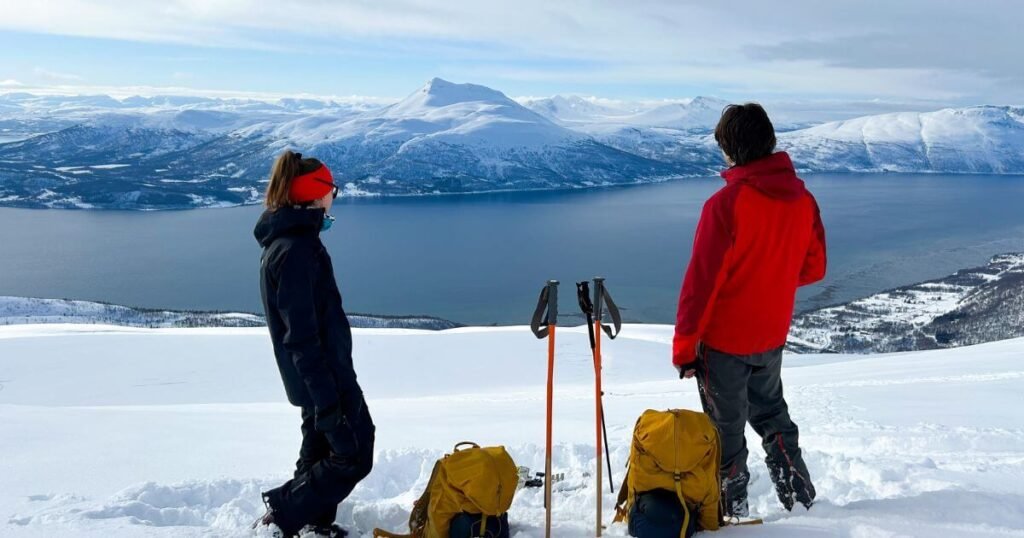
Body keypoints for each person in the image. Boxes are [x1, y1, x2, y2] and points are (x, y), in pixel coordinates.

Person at [672, 103, 826, 518]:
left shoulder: (725, 205)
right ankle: (800, 499)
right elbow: (813, 267)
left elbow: (699, 288)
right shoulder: (802, 199)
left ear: (730, 149)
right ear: (770, 141)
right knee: (773, 414)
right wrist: (768, 280)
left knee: (724, 431)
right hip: (771, 335)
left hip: (723, 342)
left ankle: (733, 512)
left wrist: (684, 349)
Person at [253, 150, 375, 537]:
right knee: (354, 453)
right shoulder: (296, 252)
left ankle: (310, 523)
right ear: (317, 193)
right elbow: (302, 339)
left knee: (321, 448)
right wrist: (328, 402)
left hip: (318, 376)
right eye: (332, 189)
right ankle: (285, 515)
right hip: (324, 378)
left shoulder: (295, 241)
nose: (334, 196)